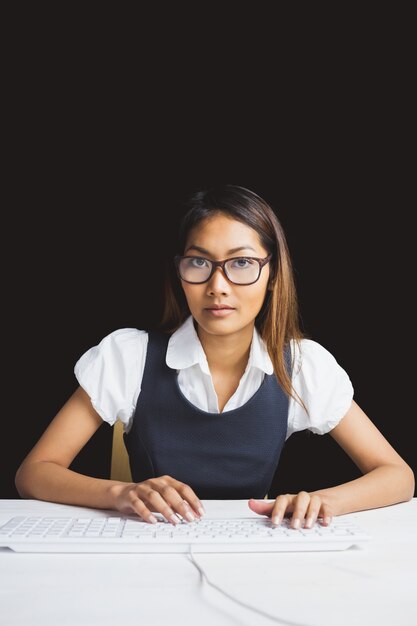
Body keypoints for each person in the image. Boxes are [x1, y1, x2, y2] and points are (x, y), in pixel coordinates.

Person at [15, 185, 414, 530]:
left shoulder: (302, 364)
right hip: (148, 547)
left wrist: (325, 502)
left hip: (248, 552)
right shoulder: (128, 354)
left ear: (272, 274)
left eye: (241, 263)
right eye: (199, 263)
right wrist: (121, 493)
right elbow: (34, 473)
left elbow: (398, 476)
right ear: (180, 271)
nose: (217, 286)